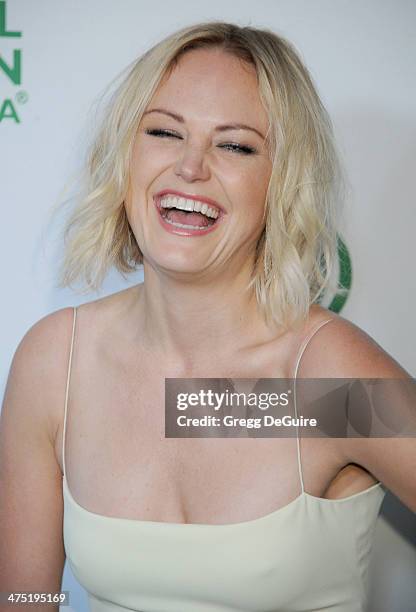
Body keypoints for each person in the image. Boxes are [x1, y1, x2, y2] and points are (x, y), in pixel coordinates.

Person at [0, 20, 414, 612]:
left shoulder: (323, 379)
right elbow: (23, 598)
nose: (190, 167)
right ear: (125, 157)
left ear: (281, 182)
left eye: (236, 145)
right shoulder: (56, 362)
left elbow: (211, 406)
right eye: (166, 133)